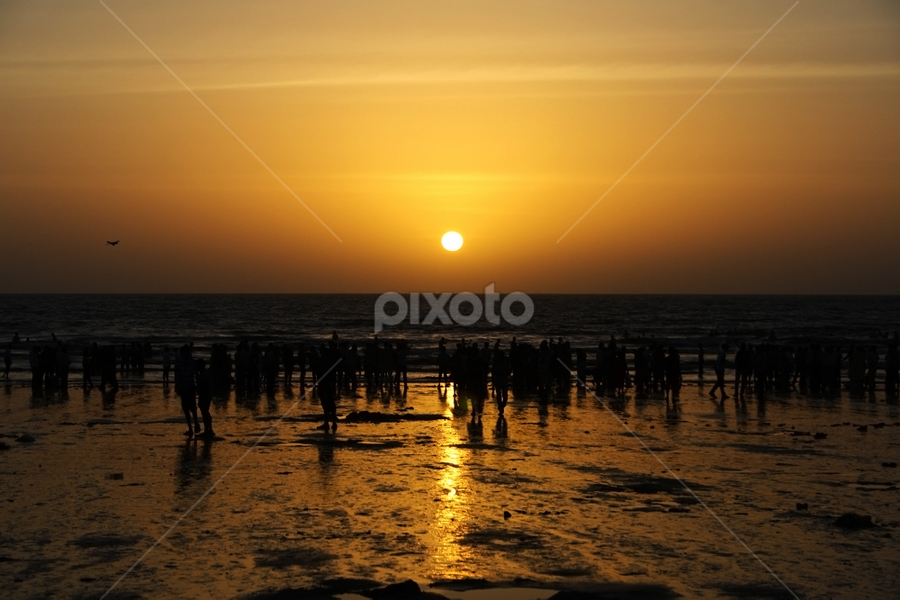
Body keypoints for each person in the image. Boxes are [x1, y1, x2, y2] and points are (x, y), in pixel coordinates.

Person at [175, 345, 200, 436]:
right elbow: (177, 377)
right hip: (183, 388)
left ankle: (196, 424)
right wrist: (177, 387)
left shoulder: (192, 363)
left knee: (193, 409)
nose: (184, 354)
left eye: (185, 353)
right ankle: (190, 428)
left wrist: (197, 387)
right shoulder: (179, 364)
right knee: (185, 409)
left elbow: (196, 376)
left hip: (190, 387)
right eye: (182, 353)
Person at [195, 359, 215, 437]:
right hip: (208, 394)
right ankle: (208, 429)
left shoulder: (202, 375)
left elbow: (201, 386)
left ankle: (207, 430)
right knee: (206, 412)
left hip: (204, 395)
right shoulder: (206, 373)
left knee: (205, 412)